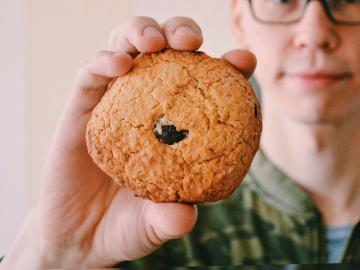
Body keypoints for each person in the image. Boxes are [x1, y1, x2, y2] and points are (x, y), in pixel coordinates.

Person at [1, 0, 360, 269]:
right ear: (239, 20)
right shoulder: (143, 230)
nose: (315, 35)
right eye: (282, 0)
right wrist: (52, 253)